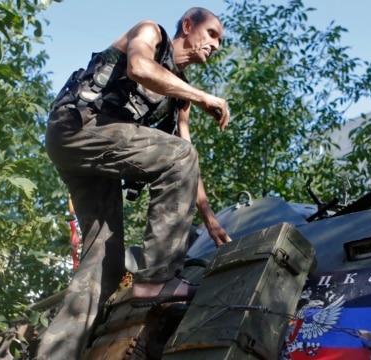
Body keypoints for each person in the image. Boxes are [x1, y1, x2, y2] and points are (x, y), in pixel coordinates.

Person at [36, 7, 232, 358]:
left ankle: (56, 354)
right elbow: (138, 68)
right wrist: (203, 96)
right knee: (178, 157)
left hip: (92, 158)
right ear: (188, 26)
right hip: (78, 126)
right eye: (212, 34)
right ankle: (157, 278)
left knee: (103, 266)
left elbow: (186, 153)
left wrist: (210, 219)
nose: (216, 45)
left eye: (220, 40)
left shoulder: (178, 92)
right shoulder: (150, 33)